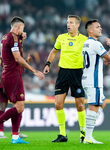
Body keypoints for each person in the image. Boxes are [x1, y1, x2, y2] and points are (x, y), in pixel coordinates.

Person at [0, 16, 44, 144]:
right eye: (22, 27)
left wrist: (21, 41)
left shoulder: (6, 37)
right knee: (20, 107)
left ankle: (15, 137)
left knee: (18, 106)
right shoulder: (13, 37)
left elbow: (14, 56)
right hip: (13, 75)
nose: (23, 30)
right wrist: (34, 71)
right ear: (18, 27)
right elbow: (17, 58)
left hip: (9, 74)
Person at [44, 15, 87, 143]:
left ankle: (83, 134)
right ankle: (62, 134)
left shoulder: (84, 40)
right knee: (58, 104)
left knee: (80, 105)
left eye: (71, 22)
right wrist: (48, 64)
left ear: (77, 25)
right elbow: (53, 51)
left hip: (77, 74)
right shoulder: (61, 37)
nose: (68, 24)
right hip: (62, 73)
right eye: (67, 22)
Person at [82, 19, 110, 144]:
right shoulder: (96, 44)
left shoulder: (86, 43)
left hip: (88, 78)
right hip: (93, 80)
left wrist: (105, 60)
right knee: (94, 106)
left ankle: (87, 129)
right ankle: (88, 137)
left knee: (102, 103)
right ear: (90, 30)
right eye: (97, 27)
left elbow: (97, 59)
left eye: (100, 26)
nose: (100, 28)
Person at [0, 54, 30, 139]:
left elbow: (15, 67)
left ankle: (14, 132)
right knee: (11, 107)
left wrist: (26, 61)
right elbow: (1, 70)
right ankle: (2, 132)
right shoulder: (6, 56)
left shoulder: (7, 56)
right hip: (6, 83)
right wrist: (3, 84)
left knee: (17, 107)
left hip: (7, 82)